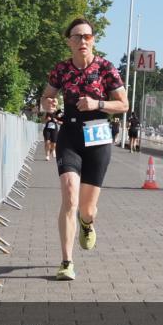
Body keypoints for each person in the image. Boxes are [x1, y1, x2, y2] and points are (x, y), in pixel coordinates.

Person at [40, 18, 129, 281]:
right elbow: (46, 97)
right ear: (69, 41)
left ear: (94, 40)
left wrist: (97, 103)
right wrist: (49, 104)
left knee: (87, 209)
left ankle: (86, 223)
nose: (83, 41)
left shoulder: (105, 68)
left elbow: (123, 105)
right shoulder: (61, 69)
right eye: (77, 37)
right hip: (70, 133)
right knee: (69, 196)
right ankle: (66, 262)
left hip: (98, 135)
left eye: (87, 36)